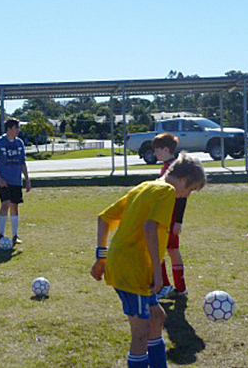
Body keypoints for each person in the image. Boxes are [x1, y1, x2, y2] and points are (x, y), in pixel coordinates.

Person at [90, 153, 206, 368]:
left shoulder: (145, 186)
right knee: (141, 333)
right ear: (184, 179)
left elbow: (103, 218)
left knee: (156, 317)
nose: (187, 195)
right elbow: (150, 227)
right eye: (190, 189)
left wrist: (101, 257)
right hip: (134, 268)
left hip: (123, 263)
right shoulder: (167, 192)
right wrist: (158, 272)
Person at [152, 133, 189, 299]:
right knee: (171, 250)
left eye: (156, 150)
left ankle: (165, 286)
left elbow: (183, 196)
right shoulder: (169, 165)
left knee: (162, 250)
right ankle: (179, 289)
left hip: (169, 217)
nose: (154, 154)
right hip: (167, 216)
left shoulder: (173, 167)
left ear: (166, 149)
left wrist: (178, 221)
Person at [0, 118, 31, 245]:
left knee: (14, 206)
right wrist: (0, 179)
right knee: (5, 204)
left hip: (16, 180)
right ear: (10, 129)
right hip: (4, 181)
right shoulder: (0, 143)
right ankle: (1, 234)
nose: (19, 130)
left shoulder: (19, 143)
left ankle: (15, 235)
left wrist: (27, 180)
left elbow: (22, 163)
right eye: (16, 128)